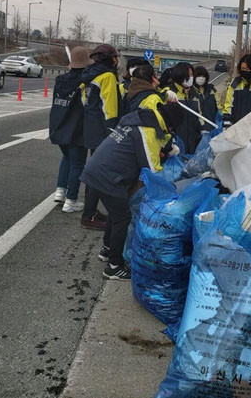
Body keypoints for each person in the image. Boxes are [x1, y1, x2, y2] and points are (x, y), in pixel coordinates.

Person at [79, 102, 185, 280]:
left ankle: (107, 249)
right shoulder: (147, 130)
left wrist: (167, 147)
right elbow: (151, 169)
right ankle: (114, 266)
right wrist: (171, 190)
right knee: (123, 217)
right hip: (107, 175)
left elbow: (155, 141)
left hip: (98, 170)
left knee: (116, 212)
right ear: (170, 124)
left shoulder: (143, 121)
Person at [80, 44, 123, 230]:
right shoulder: (107, 76)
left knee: (94, 169)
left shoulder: (89, 75)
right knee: (98, 175)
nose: (117, 60)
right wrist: (112, 132)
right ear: (111, 59)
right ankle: (88, 215)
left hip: (90, 127)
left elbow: (84, 99)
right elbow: (109, 107)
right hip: (103, 130)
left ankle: (90, 212)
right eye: (115, 57)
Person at [49, 46, 92, 212]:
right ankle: (71, 201)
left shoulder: (60, 80)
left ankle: (60, 191)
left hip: (58, 126)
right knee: (77, 164)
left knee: (66, 158)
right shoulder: (85, 83)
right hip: (76, 128)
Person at [169, 62, 202, 154]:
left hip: (193, 141)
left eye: (192, 75)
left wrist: (203, 132)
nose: (191, 77)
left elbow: (200, 115)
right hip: (175, 143)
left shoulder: (195, 94)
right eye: (189, 75)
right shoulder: (170, 93)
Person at [194, 66, 222, 133]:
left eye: (203, 76)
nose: (201, 78)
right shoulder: (190, 92)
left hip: (213, 125)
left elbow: (218, 106)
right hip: (198, 128)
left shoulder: (211, 90)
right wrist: (202, 126)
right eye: (199, 76)